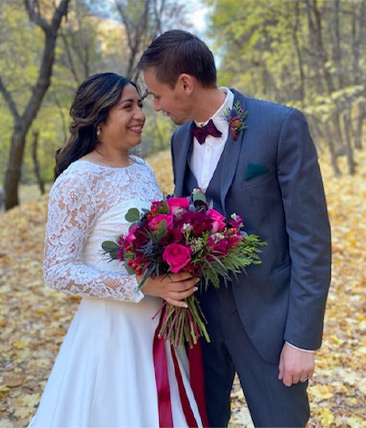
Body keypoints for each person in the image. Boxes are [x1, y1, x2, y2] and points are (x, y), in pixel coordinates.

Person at [138, 30, 331, 427]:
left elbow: (311, 241)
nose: (154, 106)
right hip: (199, 326)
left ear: (186, 84)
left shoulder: (280, 125)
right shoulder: (179, 141)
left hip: (271, 325)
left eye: (157, 95)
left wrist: (302, 340)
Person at [30, 72, 204, 427]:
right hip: (111, 333)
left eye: (140, 104)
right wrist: (142, 285)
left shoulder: (142, 169)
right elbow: (58, 270)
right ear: (98, 118)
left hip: (160, 325)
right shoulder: (78, 180)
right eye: (128, 106)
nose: (140, 114)